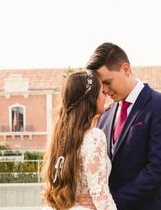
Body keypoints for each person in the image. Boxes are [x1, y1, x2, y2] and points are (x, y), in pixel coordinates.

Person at [84, 42, 161, 210]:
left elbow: (158, 169)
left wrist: (110, 202)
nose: (105, 90)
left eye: (107, 81)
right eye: (101, 85)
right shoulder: (105, 114)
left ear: (126, 69)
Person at [42, 70, 117, 210]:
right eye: (102, 92)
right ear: (91, 98)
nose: (106, 94)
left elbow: (53, 188)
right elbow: (101, 195)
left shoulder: (60, 136)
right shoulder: (94, 136)